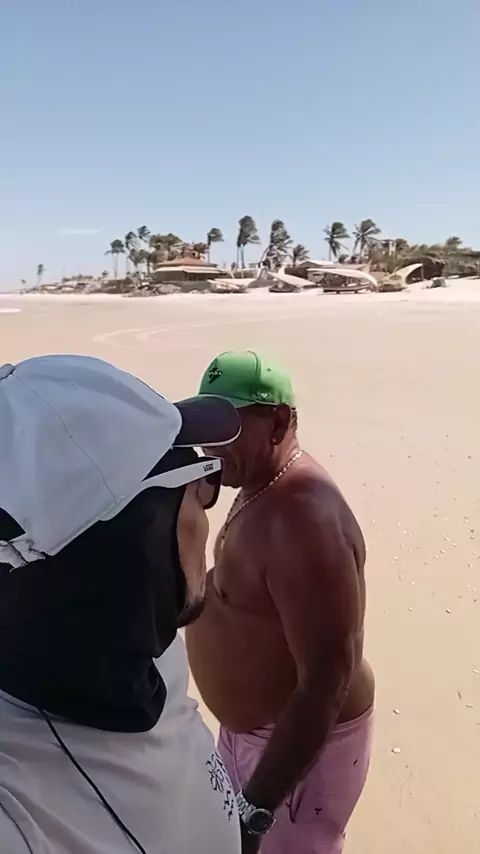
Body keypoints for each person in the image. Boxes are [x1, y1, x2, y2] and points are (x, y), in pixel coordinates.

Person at [0, 354, 243, 854]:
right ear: (140, 535)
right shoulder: (21, 816)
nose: (206, 509)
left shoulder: (151, 651)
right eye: (198, 482)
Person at [186, 350, 375, 854]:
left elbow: (327, 680)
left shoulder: (302, 521)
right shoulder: (259, 484)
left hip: (294, 756)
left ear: (277, 423)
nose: (208, 444)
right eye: (205, 426)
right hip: (252, 736)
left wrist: (257, 807)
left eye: (225, 428)